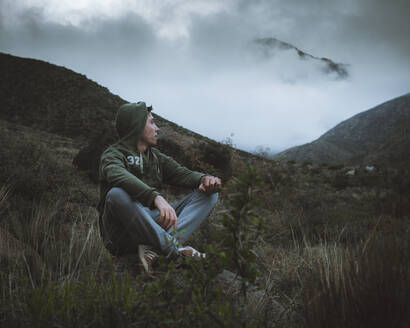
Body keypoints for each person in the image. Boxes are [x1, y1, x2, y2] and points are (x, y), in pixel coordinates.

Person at [97, 102, 222, 273]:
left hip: (153, 227)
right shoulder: (113, 155)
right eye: (152, 123)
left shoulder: (155, 158)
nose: (158, 129)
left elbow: (182, 173)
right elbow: (117, 174)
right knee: (116, 194)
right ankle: (174, 250)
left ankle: (156, 251)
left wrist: (205, 179)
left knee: (210, 195)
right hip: (121, 234)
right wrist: (155, 197)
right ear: (137, 126)